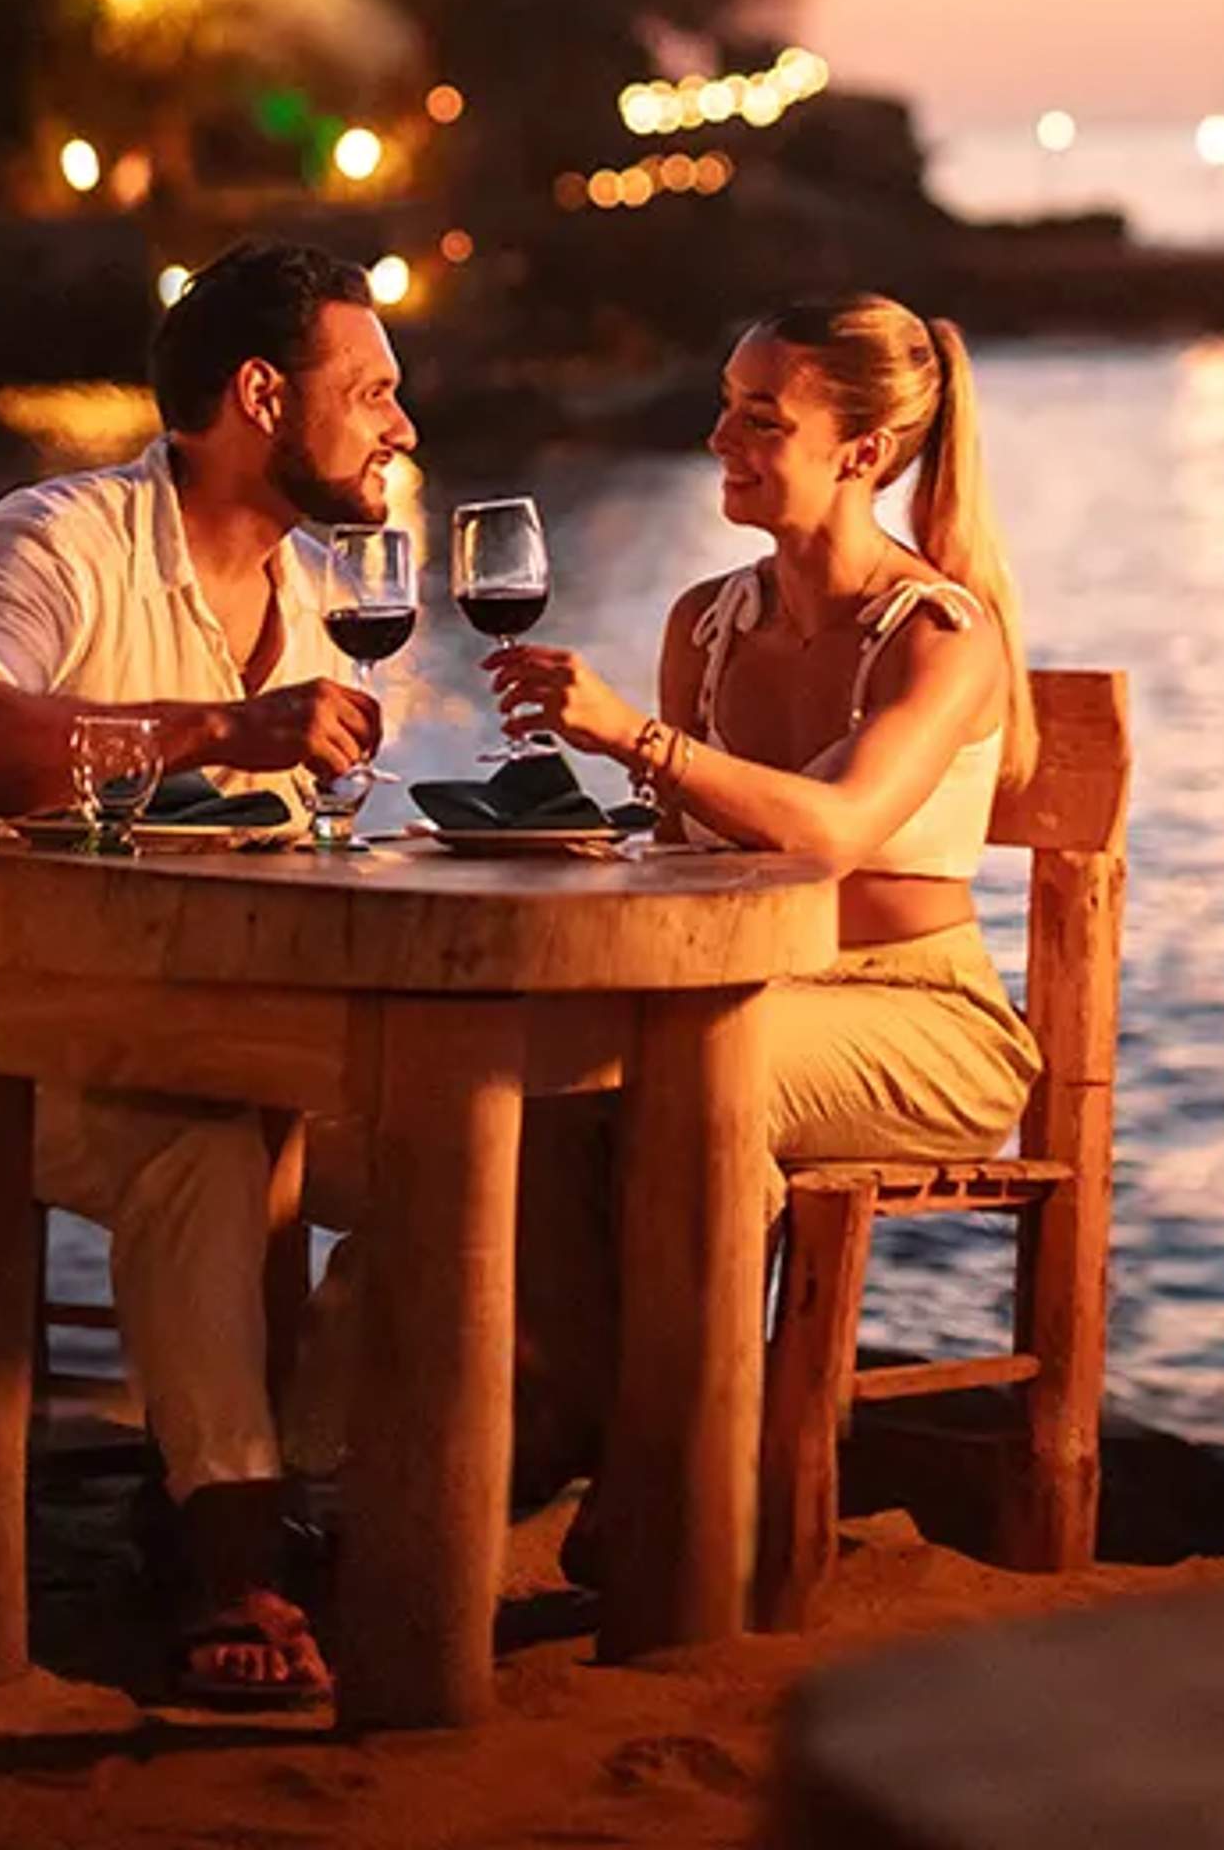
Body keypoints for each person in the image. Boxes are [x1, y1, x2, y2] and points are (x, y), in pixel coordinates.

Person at [0, 239, 412, 1709]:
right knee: (205, 1152)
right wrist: (214, 734)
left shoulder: (319, 598)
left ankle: (310, 1483)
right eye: (373, 391)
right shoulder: (64, 540)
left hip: (223, 1027)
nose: (402, 426)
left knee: (476, 1153)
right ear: (257, 394)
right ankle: (230, 1555)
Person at [481, 292, 1041, 1524]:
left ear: (861, 450)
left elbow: (837, 830)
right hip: (739, 993)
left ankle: (681, 1486)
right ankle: (555, 1411)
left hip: (924, 1020)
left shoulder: (943, 633)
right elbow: (691, 855)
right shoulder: (709, 622)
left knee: (706, 1074)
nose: (720, 440)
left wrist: (635, 734)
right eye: (724, 410)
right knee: (535, 1073)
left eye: (758, 418)